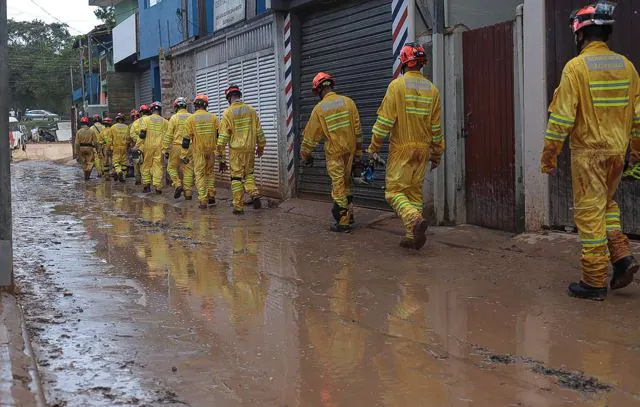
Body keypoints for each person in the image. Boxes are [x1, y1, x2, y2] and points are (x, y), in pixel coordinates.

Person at [540, 1, 640, 301]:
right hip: (616, 154)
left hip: (589, 155)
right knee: (607, 206)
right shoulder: (626, 66)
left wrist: (549, 155)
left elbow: (561, 117)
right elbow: (638, 116)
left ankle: (594, 280)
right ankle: (622, 257)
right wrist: (635, 153)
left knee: (588, 216)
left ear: (580, 35)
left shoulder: (576, 67)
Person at [366, 42, 443, 250]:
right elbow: (436, 128)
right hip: (423, 150)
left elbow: (384, 122)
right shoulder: (433, 91)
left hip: (402, 149)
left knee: (393, 191)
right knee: (414, 192)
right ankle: (412, 236)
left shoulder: (397, 86)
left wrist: (373, 147)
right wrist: (436, 154)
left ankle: (413, 219)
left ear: (404, 62)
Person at [300, 72, 363, 232]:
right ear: (331, 85)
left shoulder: (319, 109)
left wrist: (305, 155)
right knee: (347, 184)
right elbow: (358, 131)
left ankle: (343, 222)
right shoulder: (349, 102)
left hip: (335, 154)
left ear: (318, 90)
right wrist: (358, 155)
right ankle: (349, 214)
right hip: (350, 151)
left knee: (338, 187)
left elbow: (310, 137)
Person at [217, 85, 266, 215]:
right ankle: (254, 194)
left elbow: (222, 138)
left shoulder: (227, 113)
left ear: (229, 98)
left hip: (236, 151)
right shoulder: (251, 110)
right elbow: (259, 132)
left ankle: (238, 207)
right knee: (249, 174)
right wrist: (260, 147)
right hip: (250, 149)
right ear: (239, 95)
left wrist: (221, 157)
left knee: (236, 178)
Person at [182, 95, 220, 209]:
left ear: (195, 106)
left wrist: (184, 154)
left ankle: (203, 200)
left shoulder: (191, 119)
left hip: (198, 151)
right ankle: (211, 195)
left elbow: (186, 140)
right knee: (210, 173)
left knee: (200, 175)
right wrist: (220, 152)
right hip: (211, 151)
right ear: (206, 105)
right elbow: (219, 136)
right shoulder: (213, 118)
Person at [163, 97, 194, 199]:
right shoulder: (191, 117)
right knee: (188, 169)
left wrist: (166, 150)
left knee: (171, 167)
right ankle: (188, 192)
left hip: (176, 147)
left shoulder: (174, 118)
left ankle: (177, 184)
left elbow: (169, 135)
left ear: (176, 107)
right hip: (189, 146)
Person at [139, 102, 169, 194]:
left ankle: (147, 185)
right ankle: (158, 187)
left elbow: (142, 134)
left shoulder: (146, 120)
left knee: (146, 165)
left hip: (148, 146)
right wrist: (167, 149)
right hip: (160, 147)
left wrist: (137, 146)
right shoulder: (165, 121)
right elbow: (168, 136)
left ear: (151, 110)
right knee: (158, 166)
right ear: (159, 110)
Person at [130, 106, 150, 185]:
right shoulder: (150, 120)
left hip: (136, 147)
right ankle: (148, 181)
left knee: (136, 164)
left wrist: (138, 141)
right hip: (148, 146)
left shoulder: (135, 123)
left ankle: (138, 180)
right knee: (147, 164)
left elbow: (131, 135)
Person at [74, 117, 98, 181]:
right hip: (89, 148)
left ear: (81, 123)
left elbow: (76, 143)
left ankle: (86, 177)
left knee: (83, 162)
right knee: (90, 162)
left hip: (81, 148)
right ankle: (87, 174)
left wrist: (76, 152)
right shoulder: (91, 131)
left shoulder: (78, 132)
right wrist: (98, 149)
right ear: (87, 123)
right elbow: (95, 142)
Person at [111, 113, 132, 183]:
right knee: (124, 163)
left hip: (116, 147)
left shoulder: (113, 127)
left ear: (117, 119)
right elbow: (129, 139)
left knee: (116, 162)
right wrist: (128, 147)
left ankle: (118, 171)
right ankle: (123, 176)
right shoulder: (127, 127)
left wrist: (109, 148)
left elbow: (110, 139)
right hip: (124, 147)